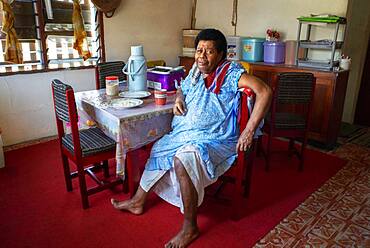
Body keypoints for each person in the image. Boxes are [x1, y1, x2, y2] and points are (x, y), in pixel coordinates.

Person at [111, 29, 272, 248]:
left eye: (209, 51)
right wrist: (178, 98)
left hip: (216, 139)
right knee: (160, 147)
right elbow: (183, 88)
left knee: (182, 160)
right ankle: (138, 201)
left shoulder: (231, 72)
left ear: (222, 54)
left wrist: (249, 131)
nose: (202, 56)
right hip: (186, 133)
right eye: (199, 50)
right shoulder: (196, 70)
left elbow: (264, 91)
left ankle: (190, 227)